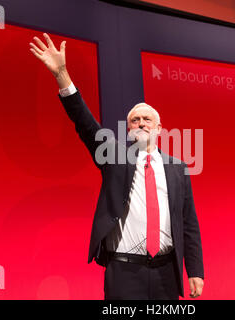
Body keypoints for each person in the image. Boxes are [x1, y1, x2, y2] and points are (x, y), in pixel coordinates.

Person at [29, 33, 204, 299]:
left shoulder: (177, 168)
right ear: (128, 128)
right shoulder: (114, 156)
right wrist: (62, 75)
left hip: (167, 273)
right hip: (124, 271)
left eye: (147, 119)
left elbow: (189, 222)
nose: (141, 123)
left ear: (159, 128)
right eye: (135, 120)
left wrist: (195, 270)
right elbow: (85, 124)